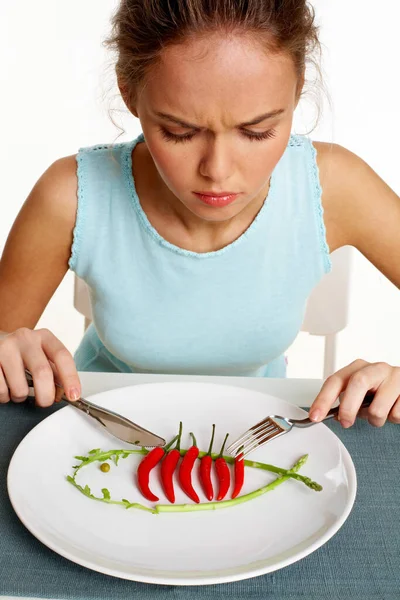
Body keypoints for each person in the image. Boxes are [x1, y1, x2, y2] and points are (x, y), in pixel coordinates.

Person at [0, 0, 399, 430]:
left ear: (298, 89)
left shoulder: (334, 185)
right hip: (97, 424)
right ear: (129, 92)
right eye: (179, 132)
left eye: (257, 131)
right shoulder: (71, 194)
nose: (217, 171)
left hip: (258, 432)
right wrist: (8, 349)